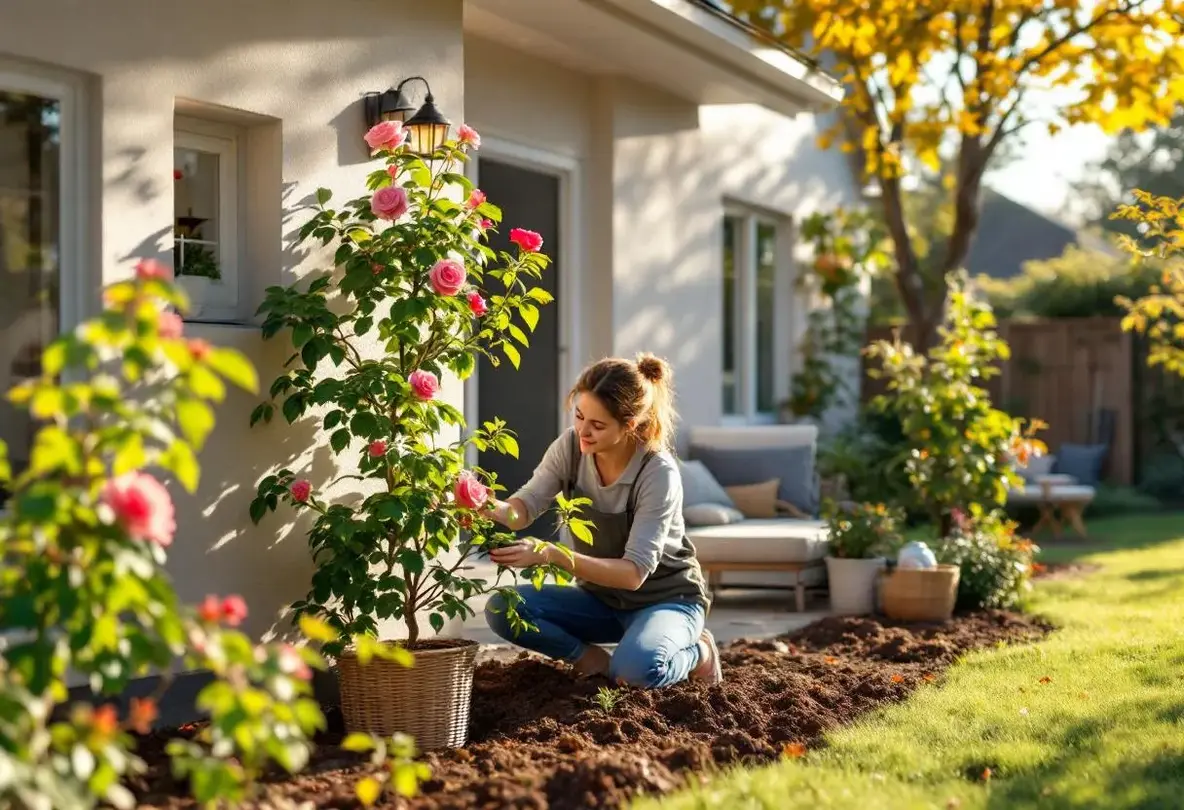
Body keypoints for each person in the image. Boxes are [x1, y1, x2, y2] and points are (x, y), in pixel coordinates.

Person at [481, 353, 720, 688]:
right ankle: (587, 658)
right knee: (505, 608)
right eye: (579, 416)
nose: (583, 431)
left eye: (598, 425)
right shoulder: (571, 446)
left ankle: (699, 652)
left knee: (635, 673)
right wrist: (482, 503)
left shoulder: (656, 472)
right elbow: (524, 509)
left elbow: (633, 574)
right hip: (600, 601)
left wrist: (552, 555)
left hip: (666, 601)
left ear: (630, 425)